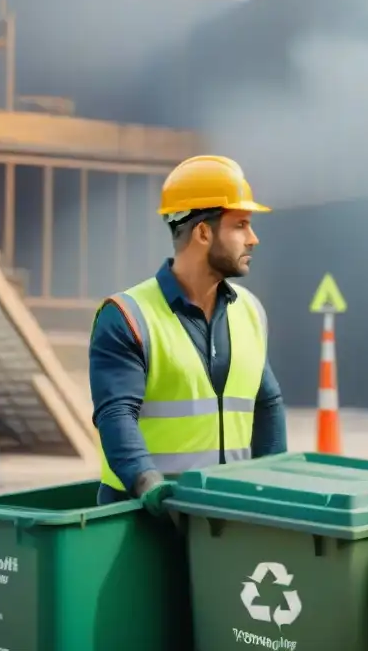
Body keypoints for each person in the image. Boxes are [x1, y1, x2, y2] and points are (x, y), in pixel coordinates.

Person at [89, 155, 288, 512]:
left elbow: (267, 404)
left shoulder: (250, 311)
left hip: (225, 518)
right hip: (143, 520)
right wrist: (149, 486)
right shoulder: (127, 316)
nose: (253, 239)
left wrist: (273, 485)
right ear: (203, 232)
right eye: (241, 225)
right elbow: (116, 415)